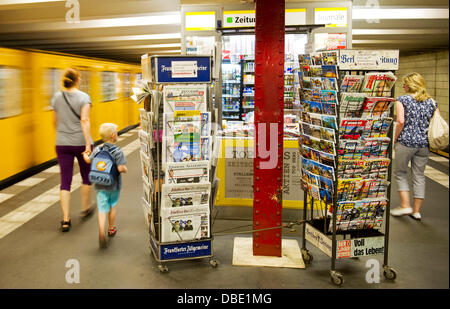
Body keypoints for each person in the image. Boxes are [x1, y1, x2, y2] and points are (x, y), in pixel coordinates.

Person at [391, 73, 440, 220]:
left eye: (405, 84)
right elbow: (435, 121)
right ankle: (416, 211)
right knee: (419, 176)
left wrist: (395, 138)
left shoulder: (402, 100)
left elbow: (400, 121)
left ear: (410, 85)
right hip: (424, 145)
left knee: (400, 173)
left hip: (406, 142)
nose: (403, 86)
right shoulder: (431, 102)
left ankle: (405, 205)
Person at [52, 68, 95, 232]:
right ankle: (85, 208)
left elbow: (55, 122)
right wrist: (86, 145)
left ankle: (65, 219)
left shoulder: (56, 97)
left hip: (62, 143)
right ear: (78, 80)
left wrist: (62, 135)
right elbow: (84, 120)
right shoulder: (84, 97)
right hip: (80, 142)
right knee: (86, 176)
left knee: (65, 180)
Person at [85, 123, 127, 248]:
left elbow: (88, 160)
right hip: (114, 185)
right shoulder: (117, 151)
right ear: (114, 136)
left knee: (102, 209)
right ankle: (111, 228)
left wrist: (85, 155)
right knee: (112, 206)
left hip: (100, 184)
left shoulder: (97, 149)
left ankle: (101, 232)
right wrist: (125, 169)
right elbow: (120, 168)